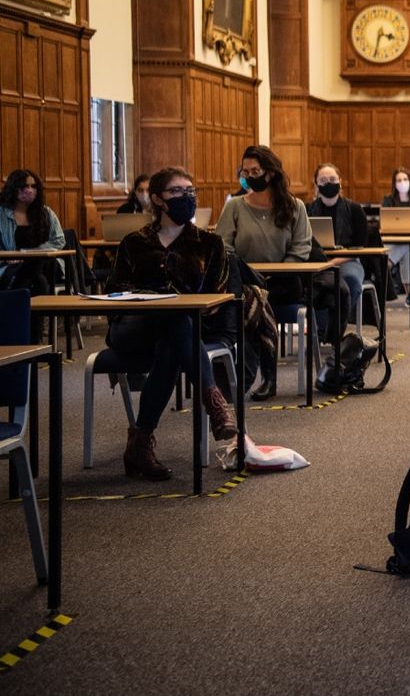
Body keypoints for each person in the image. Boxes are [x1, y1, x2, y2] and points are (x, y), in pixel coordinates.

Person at [106, 167, 237, 481]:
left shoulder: (210, 243)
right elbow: (115, 291)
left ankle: (140, 442)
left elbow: (214, 300)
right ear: (157, 200)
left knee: (174, 334)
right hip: (133, 328)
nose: (186, 197)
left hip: (184, 329)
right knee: (175, 322)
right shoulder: (134, 242)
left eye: (191, 191)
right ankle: (214, 400)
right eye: (177, 192)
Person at [215, 145, 314, 401]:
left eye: (255, 171)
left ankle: (258, 377)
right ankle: (256, 377)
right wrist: (248, 276)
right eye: (245, 171)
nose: (249, 176)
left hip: (283, 282)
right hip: (244, 283)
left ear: (270, 174)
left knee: (258, 303)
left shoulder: (295, 206)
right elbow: (222, 246)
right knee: (252, 300)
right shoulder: (235, 206)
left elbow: (302, 247)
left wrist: (276, 274)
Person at [306, 163, 369, 323]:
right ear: (316, 185)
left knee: (351, 280)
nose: (328, 183)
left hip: (348, 260)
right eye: (323, 180)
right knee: (314, 286)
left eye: (333, 179)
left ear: (340, 182)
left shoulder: (354, 209)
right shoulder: (306, 210)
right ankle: (320, 329)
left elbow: (361, 245)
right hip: (315, 262)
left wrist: (334, 262)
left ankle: (336, 327)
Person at [0, 168, 66, 295]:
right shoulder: (2, 214)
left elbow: (59, 240)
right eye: (25, 186)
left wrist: (34, 252)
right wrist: (9, 257)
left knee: (36, 265)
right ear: (14, 188)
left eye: (33, 186)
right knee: (39, 281)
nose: (29, 190)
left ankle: (16, 304)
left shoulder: (46, 213)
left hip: (46, 263)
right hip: (12, 265)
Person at [382, 167, 410, 306]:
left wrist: (408, 233)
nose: (402, 182)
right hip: (394, 242)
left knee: (408, 245)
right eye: (399, 180)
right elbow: (384, 224)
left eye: (405, 179)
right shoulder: (388, 200)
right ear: (394, 183)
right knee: (406, 250)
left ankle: (388, 263)